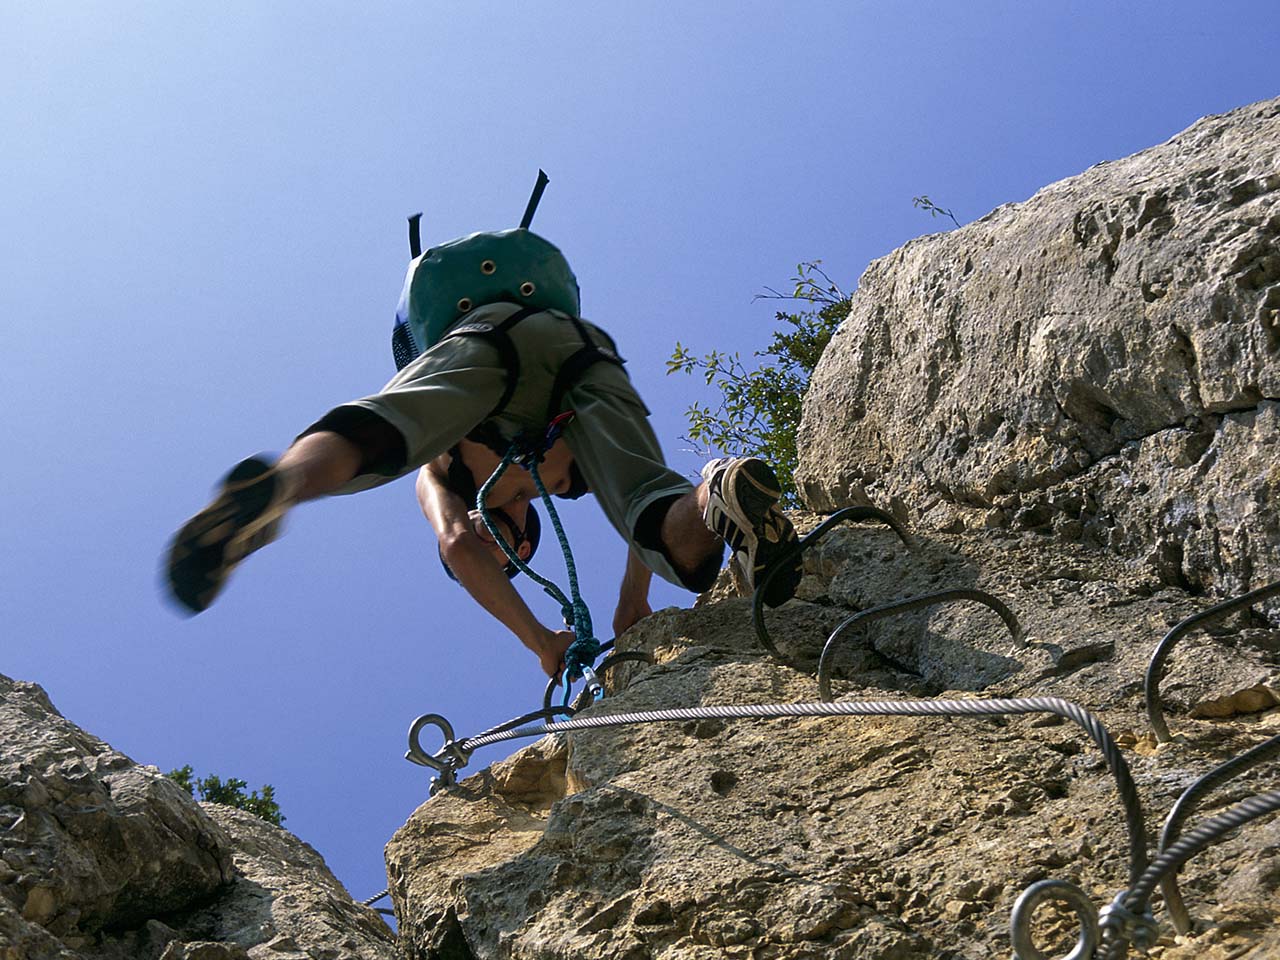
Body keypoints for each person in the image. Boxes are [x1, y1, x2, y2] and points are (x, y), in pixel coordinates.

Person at [167, 222, 802, 679]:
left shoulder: (448, 482)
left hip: (481, 344)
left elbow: (454, 544)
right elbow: (640, 499)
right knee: (677, 544)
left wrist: (541, 642)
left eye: (494, 557)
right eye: (501, 557)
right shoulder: (551, 481)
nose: (485, 547)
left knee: (388, 432)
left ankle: (282, 483)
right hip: (573, 346)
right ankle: (718, 494)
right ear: (524, 548)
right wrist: (631, 599)